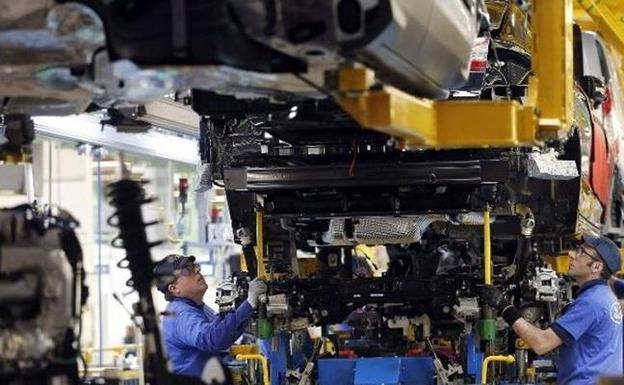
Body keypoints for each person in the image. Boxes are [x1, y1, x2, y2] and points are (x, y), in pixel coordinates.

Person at [481, 234, 623, 385]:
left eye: (582, 252)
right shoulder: (606, 297)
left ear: (597, 267)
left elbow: (541, 344)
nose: (571, 254)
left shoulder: (592, 302)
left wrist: (504, 306)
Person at [154, 254, 267, 378]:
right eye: (187, 270)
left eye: (194, 266)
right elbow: (213, 339)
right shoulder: (180, 314)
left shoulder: (197, 307)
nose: (197, 270)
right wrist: (249, 303)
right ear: (174, 288)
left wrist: (244, 305)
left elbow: (221, 328)